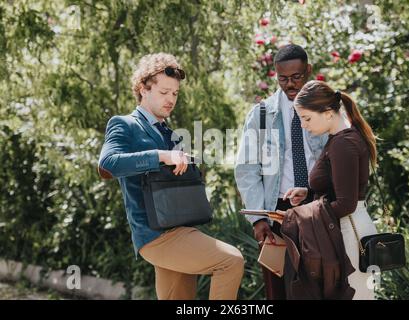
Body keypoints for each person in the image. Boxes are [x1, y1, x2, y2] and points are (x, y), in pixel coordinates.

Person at [98, 53, 244, 300]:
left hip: (181, 227)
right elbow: (107, 165)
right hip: (155, 235)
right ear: (144, 89)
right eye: (164, 92)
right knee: (230, 262)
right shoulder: (124, 124)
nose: (170, 99)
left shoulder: (171, 134)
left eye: (175, 94)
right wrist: (160, 156)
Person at [235, 45, 328, 299]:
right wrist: (258, 219)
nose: (290, 84)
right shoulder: (262, 114)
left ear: (308, 70)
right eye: (283, 78)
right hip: (276, 213)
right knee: (279, 291)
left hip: (318, 206)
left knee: (320, 285)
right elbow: (247, 169)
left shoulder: (325, 108)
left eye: (297, 77)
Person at [284, 80, 378, 299]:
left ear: (327, 113)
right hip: (343, 230)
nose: (304, 125)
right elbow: (341, 186)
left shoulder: (342, 144)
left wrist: (299, 217)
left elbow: (346, 203)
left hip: (349, 233)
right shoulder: (338, 140)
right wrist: (309, 192)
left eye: (306, 118)